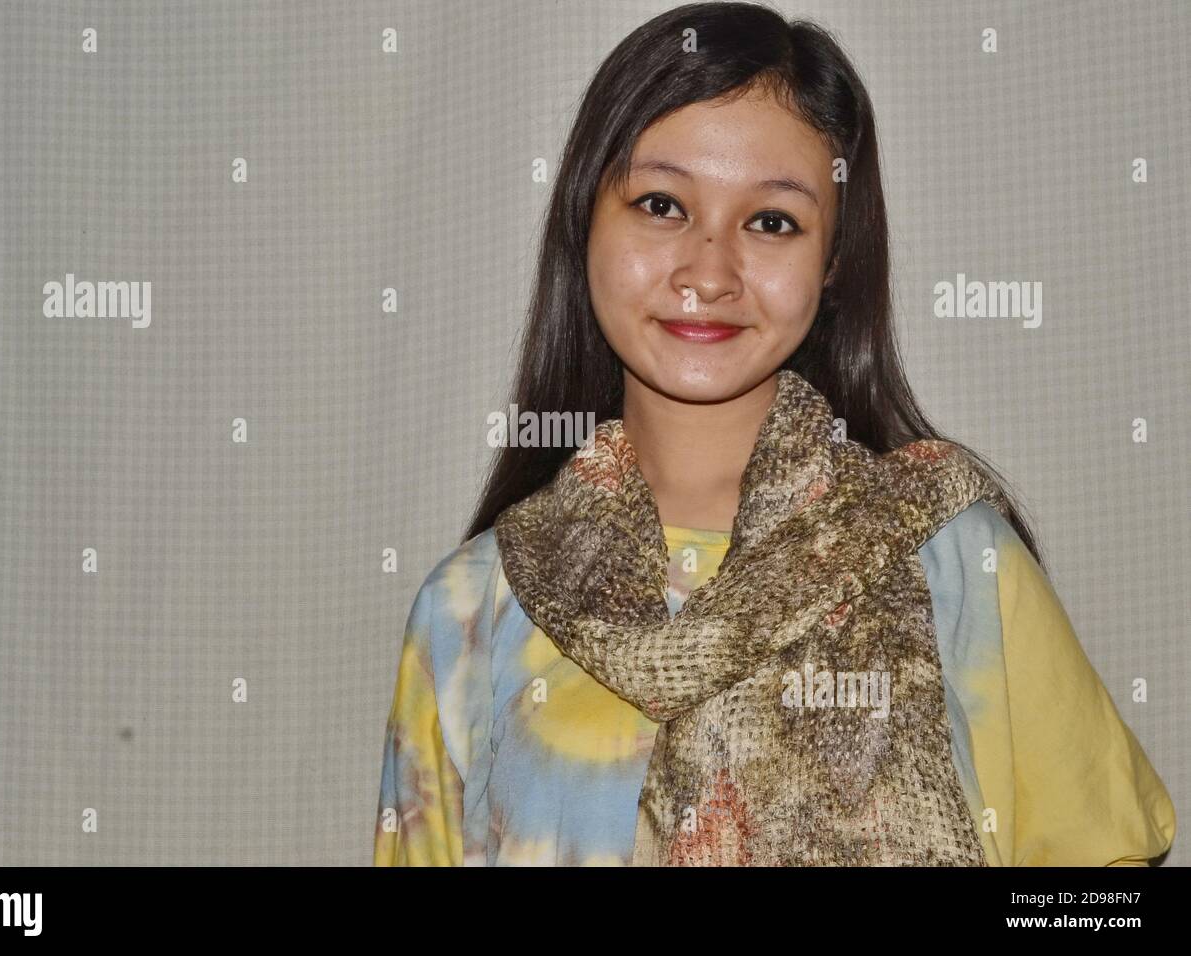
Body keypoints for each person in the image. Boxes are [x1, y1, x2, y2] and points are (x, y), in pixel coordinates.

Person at [372, 1, 1175, 866]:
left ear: (832, 262)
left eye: (771, 222)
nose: (709, 271)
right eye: (660, 203)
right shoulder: (472, 610)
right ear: (583, 219)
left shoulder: (954, 558)